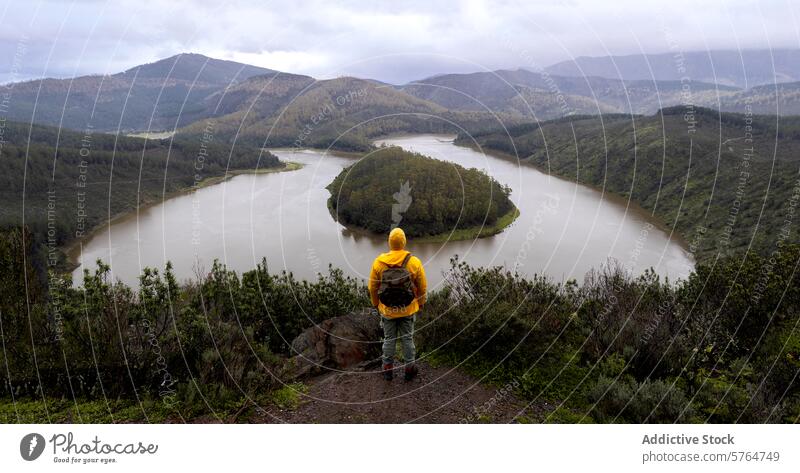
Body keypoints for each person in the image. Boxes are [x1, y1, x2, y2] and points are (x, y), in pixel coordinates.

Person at [368, 227, 427, 381]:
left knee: (389, 339)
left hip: (387, 310)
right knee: (407, 339)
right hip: (407, 309)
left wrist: (376, 304)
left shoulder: (379, 263)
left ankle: (387, 370)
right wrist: (420, 303)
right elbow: (422, 287)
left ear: (389, 242)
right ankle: (409, 369)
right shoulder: (414, 262)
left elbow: (372, 287)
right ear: (404, 242)